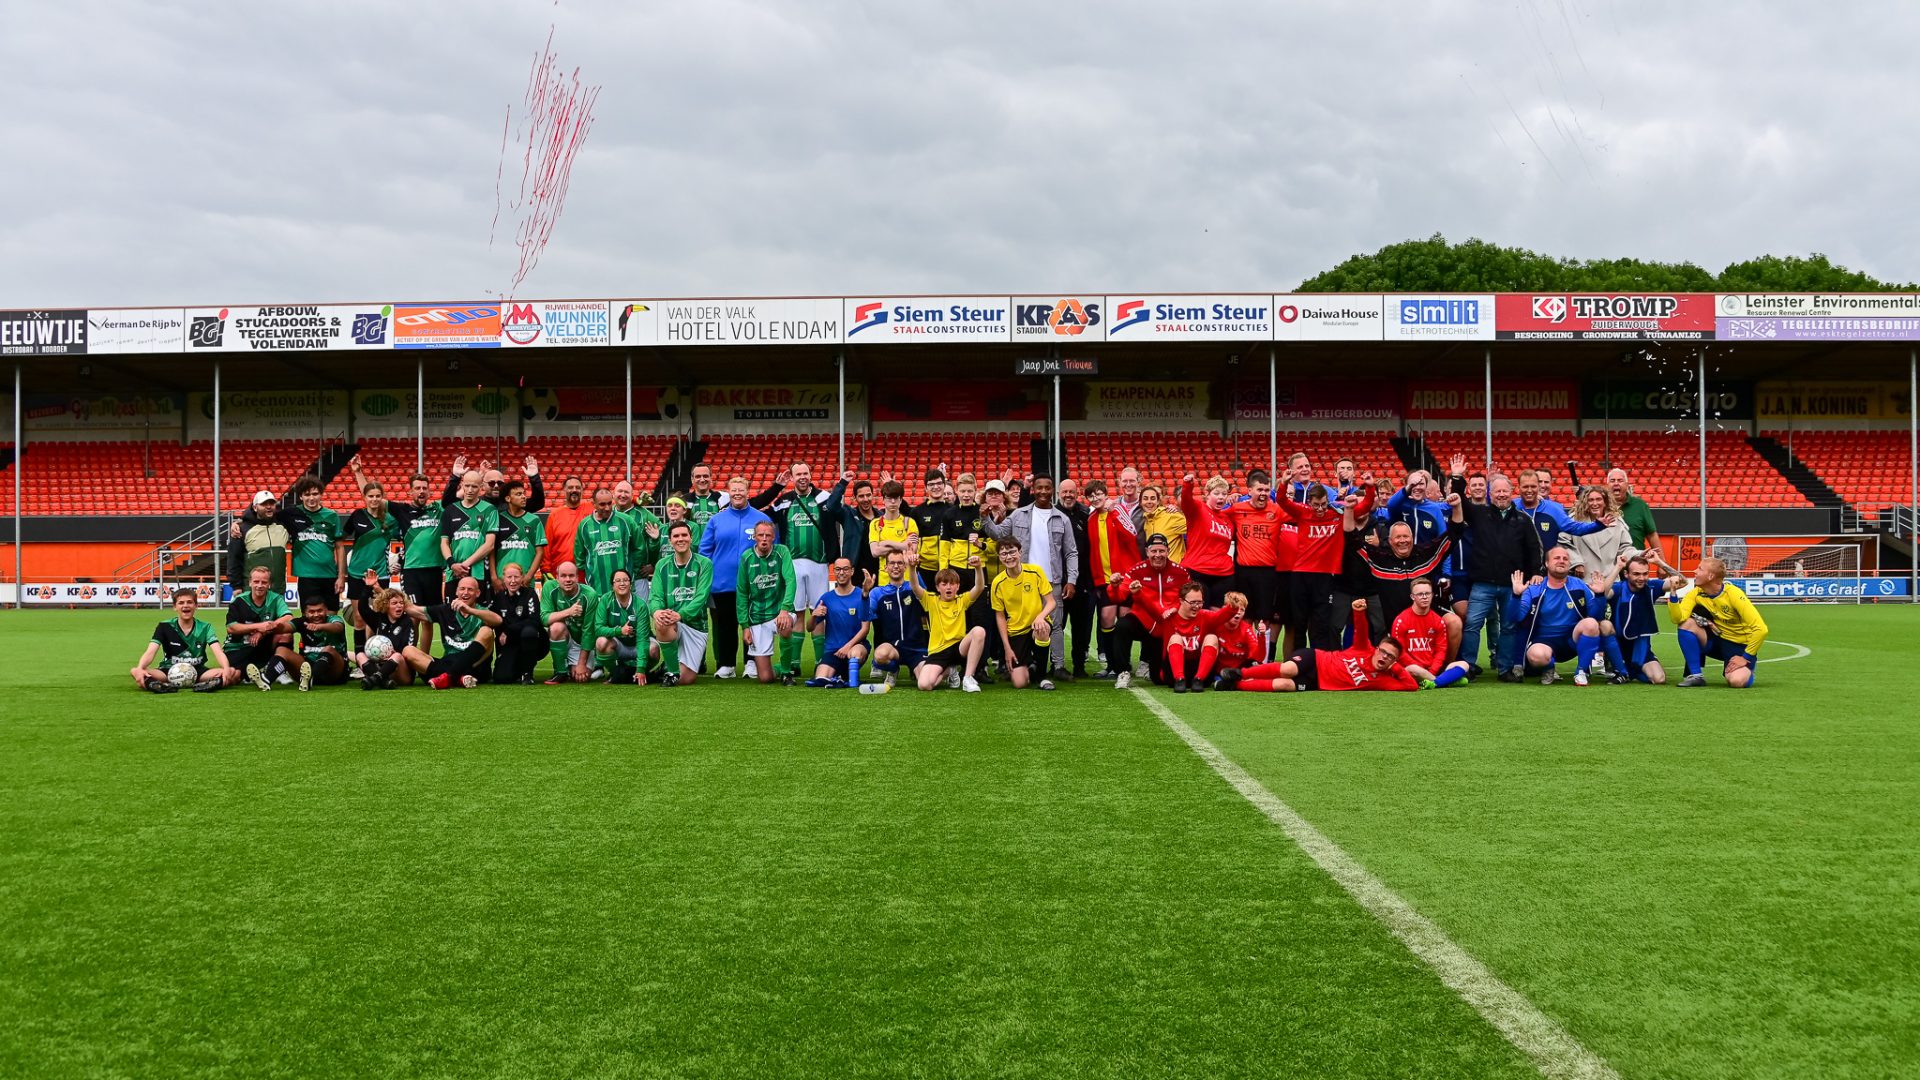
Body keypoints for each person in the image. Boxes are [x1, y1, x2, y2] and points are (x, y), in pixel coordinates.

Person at [1450, 456, 1544, 682]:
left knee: (1509, 626)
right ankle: (1468, 666)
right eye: (1497, 491)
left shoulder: (1523, 520)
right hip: (1482, 584)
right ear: (1490, 493)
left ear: (1512, 492)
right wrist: (1457, 477)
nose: (1501, 495)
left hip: (1512, 585)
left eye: (1505, 491)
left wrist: (1536, 573)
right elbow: (1460, 499)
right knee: (1472, 625)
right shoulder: (1479, 514)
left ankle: (1505, 669)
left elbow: (1533, 549)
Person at [754, 462, 849, 678]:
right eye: (798, 474)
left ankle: (820, 662)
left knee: (819, 611)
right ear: (792, 477)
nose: (803, 477)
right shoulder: (784, 501)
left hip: (819, 562)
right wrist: (775, 488)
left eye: (805, 473)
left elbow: (841, 512)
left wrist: (843, 483)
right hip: (793, 564)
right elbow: (760, 513)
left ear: (810, 475)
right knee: (795, 612)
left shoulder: (823, 498)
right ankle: (794, 663)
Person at [981, 475, 1077, 680]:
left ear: (1053, 491)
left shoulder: (1062, 519)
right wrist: (985, 518)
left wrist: (1072, 580)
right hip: (1023, 580)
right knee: (1020, 624)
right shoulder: (1018, 515)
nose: (1043, 491)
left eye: (1047, 488)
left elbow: (1071, 552)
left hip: (1052, 580)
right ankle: (1022, 664)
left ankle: (1058, 666)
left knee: (1055, 625)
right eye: (1039, 487)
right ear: (1033, 490)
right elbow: (997, 534)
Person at [1221, 598, 1422, 692]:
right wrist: (1358, 611)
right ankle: (1240, 673)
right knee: (1288, 670)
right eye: (1383, 652)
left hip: (1318, 682)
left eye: (1390, 657)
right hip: (1316, 659)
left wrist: (1395, 666)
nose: (1384, 657)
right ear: (1377, 649)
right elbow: (1361, 629)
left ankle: (1234, 685)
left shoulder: (1382, 680)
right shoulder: (1364, 649)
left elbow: (1411, 686)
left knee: (1285, 685)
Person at [1277, 478, 1374, 649]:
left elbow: (1365, 507)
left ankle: (1319, 660)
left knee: (1321, 624)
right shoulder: (1303, 512)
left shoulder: (1337, 513)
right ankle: (1298, 661)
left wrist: (1371, 487)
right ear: (1309, 502)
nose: (1320, 509)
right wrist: (1284, 484)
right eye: (1316, 505)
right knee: (1299, 624)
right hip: (1301, 574)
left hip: (1325, 576)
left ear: (1327, 501)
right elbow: (1282, 501)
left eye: (1323, 504)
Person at [697, 476, 772, 679]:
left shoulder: (761, 519)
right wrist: (709, 577)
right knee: (725, 625)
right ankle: (727, 664)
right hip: (723, 583)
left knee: (754, 624)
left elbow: (773, 548)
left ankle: (751, 662)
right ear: (729, 493)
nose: (737, 494)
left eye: (741, 490)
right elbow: (705, 551)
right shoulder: (716, 520)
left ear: (748, 492)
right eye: (734, 490)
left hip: (754, 584)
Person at [1506, 547, 1605, 686]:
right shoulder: (1535, 588)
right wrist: (1516, 596)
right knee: (1535, 656)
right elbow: (1515, 617)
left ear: (1569, 564)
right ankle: (1549, 667)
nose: (1561, 561)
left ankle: (1581, 672)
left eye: (1565, 559)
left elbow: (1596, 615)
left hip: (1572, 640)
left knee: (1591, 624)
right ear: (1547, 563)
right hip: (1544, 642)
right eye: (1557, 558)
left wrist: (1600, 595)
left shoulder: (1579, 585)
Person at [1105, 533, 1191, 690]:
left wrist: (1175, 609)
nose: (1158, 555)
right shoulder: (1136, 570)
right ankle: (1123, 671)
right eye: (1154, 551)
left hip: (1166, 627)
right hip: (1143, 621)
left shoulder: (1180, 572)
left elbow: (1188, 597)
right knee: (1123, 626)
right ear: (1147, 552)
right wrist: (1114, 586)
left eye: (1161, 551)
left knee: (1159, 679)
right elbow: (1119, 596)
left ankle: (1153, 669)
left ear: (1168, 551)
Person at [1666, 557, 1768, 689]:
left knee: (1737, 681)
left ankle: (1747, 671)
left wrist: (1745, 657)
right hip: (1717, 640)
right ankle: (1696, 676)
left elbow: (1761, 629)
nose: (1695, 571)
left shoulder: (1733, 594)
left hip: (1740, 646)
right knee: (1686, 624)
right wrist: (1673, 593)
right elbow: (1678, 619)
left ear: (1710, 576)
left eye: (1700, 569)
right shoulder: (1696, 593)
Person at [400, 574, 503, 690]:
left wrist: (470, 610)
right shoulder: (445, 610)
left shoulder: (482, 611)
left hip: (474, 665)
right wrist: (391, 594)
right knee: (408, 651)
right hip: (448, 661)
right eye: (462, 589)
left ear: (477, 593)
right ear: (456, 592)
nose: (465, 593)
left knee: (487, 631)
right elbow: (413, 610)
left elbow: (498, 620)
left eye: (470, 589)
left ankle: (448, 676)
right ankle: (458, 678)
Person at [1083, 480, 1143, 676]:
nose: (1095, 498)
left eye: (1098, 494)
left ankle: (1123, 665)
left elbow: (1131, 533)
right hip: (1104, 580)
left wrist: (1115, 512)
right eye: (1091, 496)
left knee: (1124, 620)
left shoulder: (1117, 510)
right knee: (1106, 619)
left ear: (1106, 494)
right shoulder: (1092, 518)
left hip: (1125, 577)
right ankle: (1111, 665)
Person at [131, 588, 237, 693]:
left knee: (231, 671)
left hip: (197, 671)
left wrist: (226, 668)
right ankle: (160, 686)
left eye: (189, 602)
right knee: (136, 671)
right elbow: (150, 651)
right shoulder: (164, 626)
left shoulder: (205, 627)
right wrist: (140, 668)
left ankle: (206, 684)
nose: (185, 605)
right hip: (168, 671)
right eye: (181, 603)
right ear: (175, 607)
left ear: (196, 606)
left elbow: (218, 651)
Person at [341, 475, 401, 660]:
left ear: (382, 497)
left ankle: (376, 657)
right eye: (370, 496)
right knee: (359, 618)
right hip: (356, 574)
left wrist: (400, 562)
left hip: (380, 575)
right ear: (364, 497)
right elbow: (340, 541)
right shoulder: (357, 516)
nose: (374, 499)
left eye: (377, 496)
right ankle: (361, 659)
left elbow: (408, 539)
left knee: (377, 618)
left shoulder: (391, 520)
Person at [1225, 469, 1284, 653]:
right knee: (1245, 616)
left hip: (1267, 573)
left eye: (1266, 490)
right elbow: (1216, 513)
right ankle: (1243, 655)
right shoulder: (1237, 509)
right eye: (1259, 490)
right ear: (1249, 490)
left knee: (1264, 619)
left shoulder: (1276, 510)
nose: (1263, 494)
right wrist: (1227, 499)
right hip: (1243, 571)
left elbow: (1298, 514)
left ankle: (1262, 659)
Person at [650, 521, 715, 686]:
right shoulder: (662, 565)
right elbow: (655, 596)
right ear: (670, 540)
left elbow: (701, 597)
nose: (681, 539)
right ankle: (672, 672)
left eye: (684, 535)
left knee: (686, 680)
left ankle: (667, 666)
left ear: (691, 538)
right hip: (672, 624)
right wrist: (656, 611)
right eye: (676, 536)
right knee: (661, 621)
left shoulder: (704, 564)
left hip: (696, 627)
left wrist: (681, 614)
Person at [908, 556, 987, 692]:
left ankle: (968, 678)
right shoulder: (930, 600)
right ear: (938, 587)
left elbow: (979, 587)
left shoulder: (962, 600)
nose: (948, 587)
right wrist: (912, 567)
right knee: (924, 685)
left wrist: (978, 567)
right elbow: (915, 586)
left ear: (958, 586)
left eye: (952, 584)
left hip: (959, 648)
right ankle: (950, 671)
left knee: (979, 631)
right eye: (944, 584)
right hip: (938, 651)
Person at [988, 537, 1057, 691]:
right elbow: (1000, 616)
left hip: (1035, 625)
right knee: (1019, 683)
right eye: (1004, 554)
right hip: (1015, 631)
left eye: (1012, 552)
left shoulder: (1035, 571)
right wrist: (1007, 648)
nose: (1009, 557)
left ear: (1020, 552)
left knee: (1042, 628)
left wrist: (1040, 617)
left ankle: (1042, 677)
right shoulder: (998, 582)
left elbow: (1051, 602)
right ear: (999, 557)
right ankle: (1031, 667)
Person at [736, 520, 799, 684]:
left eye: (768, 535)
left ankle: (786, 672)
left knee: (785, 625)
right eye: (761, 535)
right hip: (757, 616)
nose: (764, 538)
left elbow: (791, 580)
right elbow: (742, 593)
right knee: (765, 678)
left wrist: (784, 609)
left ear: (773, 537)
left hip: (780, 612)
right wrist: (744, 626)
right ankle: (778, 668)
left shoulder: (782, 552)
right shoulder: (747, 558)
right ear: (754, 537)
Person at [1601, 554, 1669, 685]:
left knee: (1659, 679)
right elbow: (1603, 593)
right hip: (1618, 644)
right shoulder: (1619, 588)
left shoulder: (1651, 587)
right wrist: (1618, 567)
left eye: (1645, 574)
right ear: (1626, 574)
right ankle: (1621, 669)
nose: (1641, 578)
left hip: (1641, 645)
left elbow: (1682, 582)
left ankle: (1632, 670)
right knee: (1605, 625)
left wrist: (1659, 562)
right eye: (1636, 574)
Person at [1389, 579, 1470, 687]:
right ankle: (1443, 681)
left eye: (1427, 593)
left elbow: (1441, 650)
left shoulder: (1438, 620)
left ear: (1432, 595)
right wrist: (1421, 669)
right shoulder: (1401, 620)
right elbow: (1400, 652)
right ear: (1412, 597)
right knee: (1413, 669)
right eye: (1420, 594)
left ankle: (1433, 682)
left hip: (1433, 668)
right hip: (1413, 669)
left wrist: (1433, 670)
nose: (1424, 597)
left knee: (1464, 664)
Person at [1053, 477, 1097, 679]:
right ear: (1058, 494)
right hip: (1057, 580)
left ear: (1077, 493)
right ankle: (1056, 665)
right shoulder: (1051, 514)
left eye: (1071, 492)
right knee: (1057, 625)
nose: (1068, 495)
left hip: (1083, 581)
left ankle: (1079, 665)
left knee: (1082, 627)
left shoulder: (1087, 514)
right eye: (1064, 492)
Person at [867, 550, 930, 689]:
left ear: (905, 566)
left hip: (916, 648)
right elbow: (866, 614)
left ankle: (949, 669)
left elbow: (924, 593)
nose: (896, 566)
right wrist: (865, 594)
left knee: (925, 683)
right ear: (886, 567)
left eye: (900, 563)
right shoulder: (877, 593)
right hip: (893, 647)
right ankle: (893, 670)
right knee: (880, 655)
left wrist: (913, 566)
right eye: (892, 563)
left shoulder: (913, 587)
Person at [228, 565, 296, 690]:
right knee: (234, 677)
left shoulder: (275, 599)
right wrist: (260, 626)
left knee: (285, 633)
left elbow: (288, 617)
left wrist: (263, 631)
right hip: (239, 646)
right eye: (256, 581)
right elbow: (231, 628)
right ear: (250, 582)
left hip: (263, 643)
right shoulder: (239, 601)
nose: (260, 585)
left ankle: (279, 670)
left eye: (264, 582)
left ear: (269, 584)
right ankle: (253, 671)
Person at [284, 477, 345, 611]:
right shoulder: (292, 514)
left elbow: (340, 547)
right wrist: (239, 523)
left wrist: (341, 576)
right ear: (300, 496)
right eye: (307, 494)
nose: (311, 498)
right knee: (309, 617)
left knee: (331, 616)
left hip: (329, 575)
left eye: (315, 494)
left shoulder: (331, 516)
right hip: (306, 576)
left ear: (321, 494)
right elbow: (265, 516)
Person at [807, 558, 870, 687]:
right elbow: (809, 628)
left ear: (852, 571)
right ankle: (840, 677)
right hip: (833, 651)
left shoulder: (861, 595)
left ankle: (849, 679)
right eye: (838, 569)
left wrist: (847, 647)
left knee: (855, 654)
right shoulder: (826, 598)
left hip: (855, 647)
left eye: (845, 569)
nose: (841, 573)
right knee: (821, 678)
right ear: (834, 571)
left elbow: (865, 628)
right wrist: (813, 616)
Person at [440, 470, 500, 602]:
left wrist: (464, 565)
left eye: (474, 486)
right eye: (467, 485)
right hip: (453, 572)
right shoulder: (450, 510)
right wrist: (452, 564)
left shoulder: (489, 510)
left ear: (481, 487)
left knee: (477, 611)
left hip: (478, 572)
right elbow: (444, 542)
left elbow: (489, 545)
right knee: (452, 610)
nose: (470, 490)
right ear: (462, 485)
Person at [1561, 485, 1634, 594]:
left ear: (1605, 502)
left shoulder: (1617, 522)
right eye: (1591, 500)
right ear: (1585, 502)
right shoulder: (1574, 520)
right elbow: (1562, 543)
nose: (1595, 503)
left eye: (1598, 499)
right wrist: (1576, 562)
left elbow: (1625, 548)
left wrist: (1639, 554)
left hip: (1610, 582)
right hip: (1583, 582)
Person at [1155, 582, 1225, 693]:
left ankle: (1199, 679)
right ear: (1181, 601)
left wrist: (1233, 607)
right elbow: (1150, 607)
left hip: (1201, 677)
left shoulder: (1205, 615)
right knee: (1175, 638)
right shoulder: (1169, 616)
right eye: (1193, 602)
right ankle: (1179, 679)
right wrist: (1138, 594)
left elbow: (1221, 616)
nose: (1196, 606)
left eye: (1199, 602)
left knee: (1212, 638)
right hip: (1172, 675)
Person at [350, 573, 417, 688]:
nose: (399, 606)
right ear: (386, 605)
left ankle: (376, 679)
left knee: (397, 656)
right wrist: (367, 588)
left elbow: (407, 648)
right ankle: (383, 681)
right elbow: (362, 608)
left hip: (401, 671)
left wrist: (389, 652)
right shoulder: (379, 619)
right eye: (394, 603)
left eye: (401, 603)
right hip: (381, 668)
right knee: (360, 655)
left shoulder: (407, 622)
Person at [1178, 473, 1236, 606]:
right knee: (1199, 611)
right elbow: (1186, 500)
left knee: (1218, 613)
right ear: (1207, 494)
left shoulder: (1228, 519)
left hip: (1224, 573)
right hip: (1198, 570)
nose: (1221, 497)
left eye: (1224, 494)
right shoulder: (1198, 509)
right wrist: (1188, 485)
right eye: (1216, 493)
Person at [540, 560, 600, 684]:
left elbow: (589, 632)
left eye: (571, 576)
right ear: (557, 578)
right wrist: (569, 612)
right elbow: (544, 619)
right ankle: (560, 672)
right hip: (564, 636)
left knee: (581, 678)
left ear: (577, 577)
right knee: (556, 627)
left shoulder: (590, 595)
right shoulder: (549, 587)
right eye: (563, 576)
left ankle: (573, 666)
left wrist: (581, 664)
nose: (568, 579)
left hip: (580, 642)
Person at [227, 489, 292, 596]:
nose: (269, 507)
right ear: (255, 507)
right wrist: (236, 586)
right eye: (264, 504)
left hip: (278, 590)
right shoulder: (241, 530)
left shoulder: (283, 526)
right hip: (251, 591)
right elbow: (234, 559)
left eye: (271, 503)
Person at [489, 562, 546, 684]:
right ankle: (517, 668)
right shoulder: (499, 598)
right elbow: (494, 622)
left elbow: (534, 621)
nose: (513, 581)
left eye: (516, 577)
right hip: (511, 643)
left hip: (532, 641)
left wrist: (509, 631)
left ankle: (527, 673)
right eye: (509, 577)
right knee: (501, 678)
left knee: (529, 631)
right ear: (504, 579)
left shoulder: (530, 594)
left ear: (522, 577)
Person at [574, 488, 637, 596]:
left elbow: (639, 548)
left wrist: (632, 569)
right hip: (595, 588)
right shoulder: (584, 525)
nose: (607, 508)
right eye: (602, 504)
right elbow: (579, 557)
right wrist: (591, 572)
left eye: (609, 503)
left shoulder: (626, 521)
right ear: (594, 504)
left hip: (624, 587)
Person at [1606, 467, 1671, 571]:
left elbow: (1652, 534)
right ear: (1607, 485)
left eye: (1620, 480)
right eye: (1612, 481)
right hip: (1608, 567)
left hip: (1637, 565)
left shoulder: (1640, 505)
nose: (1616, 483)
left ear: (1627, 485)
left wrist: (1662, 563)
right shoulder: (1600, 506)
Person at [611, 480, 663, 600]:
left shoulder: (644, 515)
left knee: (641, 609)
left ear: (632, 496)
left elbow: (664, 537)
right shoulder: (608, 513)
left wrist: (654, 564)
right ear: (613, 494)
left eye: (626, 492)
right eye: (620, 491)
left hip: (638, 576)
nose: (622, 495)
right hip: (613, 576)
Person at [593, 568, 647, 685]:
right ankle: (616, 672)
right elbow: (598, 629)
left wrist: (641, 668)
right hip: (618, 646)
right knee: (601, 642)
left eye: (625, 580)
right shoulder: (605, 600)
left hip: (636, 645)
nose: (622, 583)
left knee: (654, 650)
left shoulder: (640, 605)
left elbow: (643, 639)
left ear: (631, 584)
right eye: (617, 581)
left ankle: (639, 672)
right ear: (612, 586)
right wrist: (619, 631)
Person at [493, 478, 547, 594]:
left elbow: (540, 552)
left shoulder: (534, 520)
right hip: (502, 581)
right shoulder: (498, 519)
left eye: (523, 493)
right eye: (518, 494)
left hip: (526, 581)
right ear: (508, 498)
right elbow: (491, 550)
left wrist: (529, 576)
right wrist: (494, 577)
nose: (523, 497)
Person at [1201, 591, 1265, 686]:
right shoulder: (1216, 624)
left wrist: (1261, 636)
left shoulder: (1246, 629)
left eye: (1242, 610)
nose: (1238, 613)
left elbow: (1258, 657)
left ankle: (1228, 682)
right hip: (1216, 669)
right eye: (1235, 609)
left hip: (1238, 670)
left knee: (1256, 665)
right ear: (1225, 609)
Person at [445, 452, 545, 512]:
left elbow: (538, 503)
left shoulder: (513, 503)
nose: (496, 486)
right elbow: (447, 504)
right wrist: (455, 476)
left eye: (500, 483)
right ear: (483, 486)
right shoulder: (474, 502)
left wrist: (534, 478)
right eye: (491, 483)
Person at [542, 474, 592, 579]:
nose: (574, 490)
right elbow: (547, 545)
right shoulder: (554, 515)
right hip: (560, 572)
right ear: (564, 490)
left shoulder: (591, 510)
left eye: (578, 487)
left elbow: (611, 505)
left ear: (582, 490)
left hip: (586, 572)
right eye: (570, 487)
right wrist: (545, 569)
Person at [293, 597, 349, 690]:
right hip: (307, 668)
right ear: (305, 613)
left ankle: (310, 678)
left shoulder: (334, 619)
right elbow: (286, 627)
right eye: (312, 612)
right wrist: (273, 626)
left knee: (329, 649)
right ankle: (267, 680)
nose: (316, 615)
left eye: (320, 611)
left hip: (334, 673)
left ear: (326, 610)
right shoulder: (302, 622)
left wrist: (319, 627)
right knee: (283, 650)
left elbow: (338, 627)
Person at [840, 477, 881, 582]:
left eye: (868, 495)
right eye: (861, 496)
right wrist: (843, 483)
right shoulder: (849, 515)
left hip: (880, 573)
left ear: (873, 495)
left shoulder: (881, 517)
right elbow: (831, 506)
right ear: (855, 498)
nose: (866, 499)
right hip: (855, 574)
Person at [1138, 484, 1187, 562]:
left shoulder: (1171, 515)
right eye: (1145, 499)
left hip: (1174, 567)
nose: (1149, 502)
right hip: (1156, 568)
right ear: (1140, 502)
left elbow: (1197, 526)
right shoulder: (1146, 522)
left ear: (1158, 501)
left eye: (1153, 498)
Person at [683, 463, 723, 547]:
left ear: (711, 478)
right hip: (693, 549)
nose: (702, 480)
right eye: (698, 476)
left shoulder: (722, 499)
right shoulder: (684, 501)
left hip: (717, 549)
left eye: (705, 476)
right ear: (692, 479)